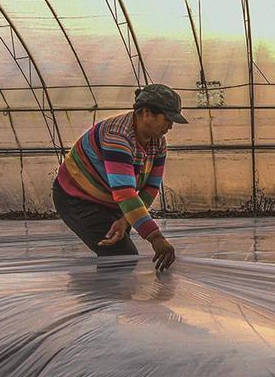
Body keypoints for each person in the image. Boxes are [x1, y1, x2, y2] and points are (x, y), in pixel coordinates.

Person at [52, 84, 187, 270]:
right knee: (122, 256)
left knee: (118, 256)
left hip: (112, 200)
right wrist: (155, 237)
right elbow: (125, 193)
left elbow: (150, 188)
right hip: (77, 198)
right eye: (167, 119)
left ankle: (107, 295)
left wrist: (125, 220)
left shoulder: (158, 143)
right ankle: (105, 298)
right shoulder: (117, 137)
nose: (171, 126)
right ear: (147, 112)